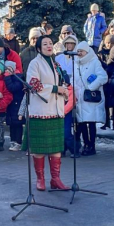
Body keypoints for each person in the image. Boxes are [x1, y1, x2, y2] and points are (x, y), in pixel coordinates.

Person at [24, 35, 69, 191]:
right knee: (39, 148)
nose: (49, 46)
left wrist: (64, 90)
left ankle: (55, 179)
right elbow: (33, 84)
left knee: (55, 147)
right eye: (45, 44)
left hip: (55, 109)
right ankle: (40, 179)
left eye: (50, 43)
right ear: (38, 48)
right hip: (41, 110)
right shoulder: (34, 63)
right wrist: (56, 89)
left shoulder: (55, 64)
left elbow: (60, 83)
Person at [73, 41, 108, 156]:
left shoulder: (94, 62)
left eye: (81, 51)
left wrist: (91, 87)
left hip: (90, 97)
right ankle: (86, 144)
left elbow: (103, 77)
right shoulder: (76, 63)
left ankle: (91, 145)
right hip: (80, 97)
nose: (79, 53)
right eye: (78, 51)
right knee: (82, 123)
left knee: (91, 123)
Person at [4, 61, 25, 152]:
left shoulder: (18, 77)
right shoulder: (7, 77)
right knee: (12, 123)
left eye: (9, 68)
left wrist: (8, 77)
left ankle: (18, 142)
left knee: (18, 124)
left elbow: (13, 88)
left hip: (17, 102)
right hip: (11, 104)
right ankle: (13, 140)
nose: (7, 70)